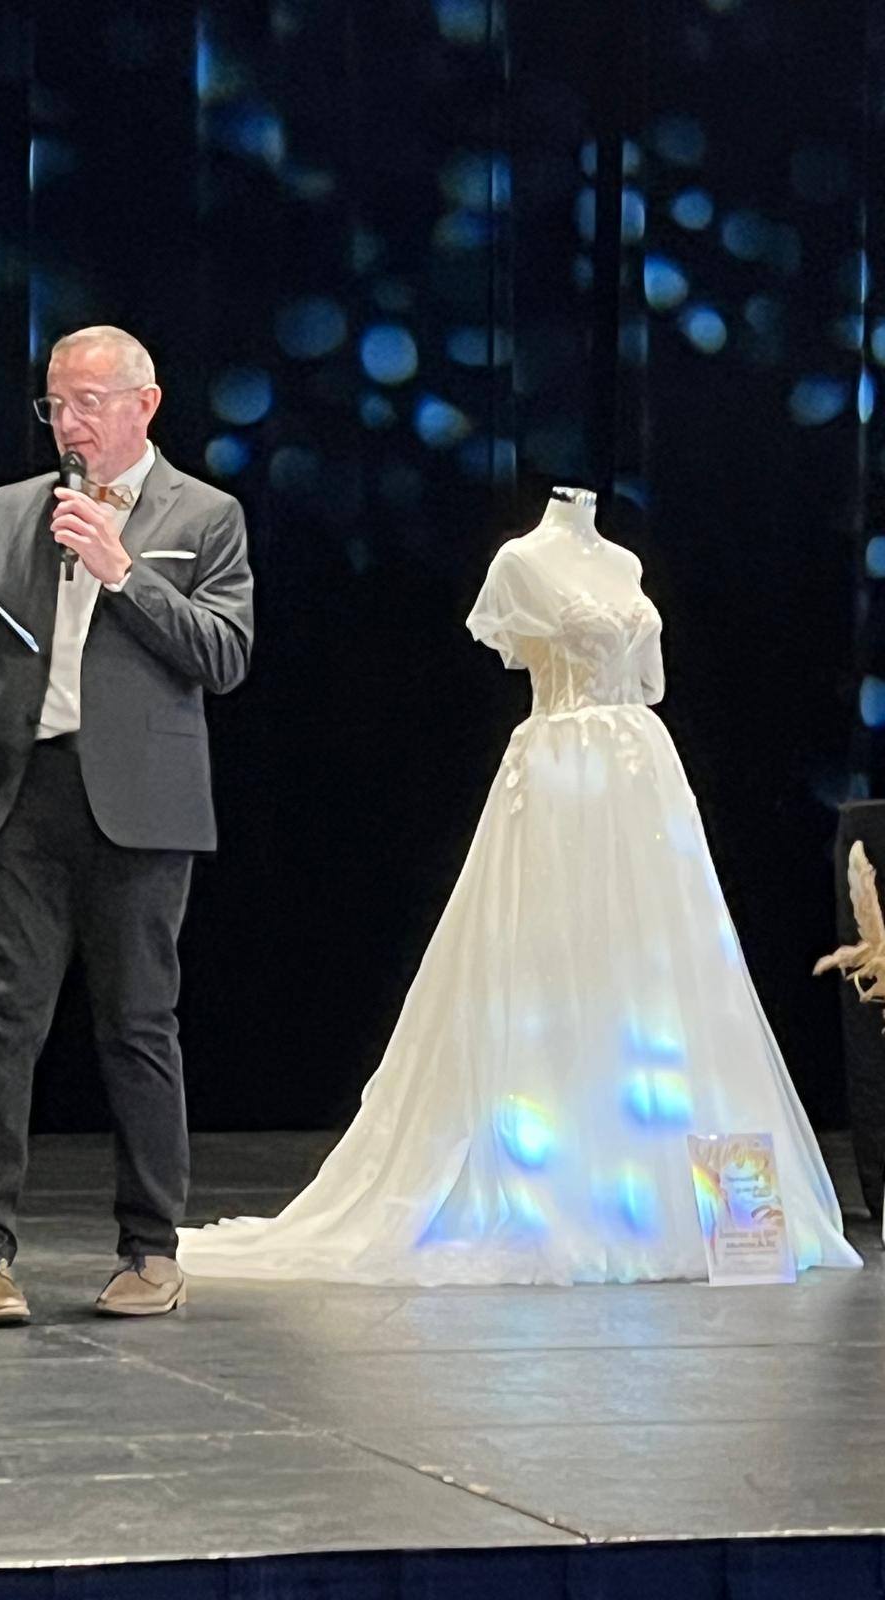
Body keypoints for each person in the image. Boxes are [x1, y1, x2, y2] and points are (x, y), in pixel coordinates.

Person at [177, 488, 860, 1286]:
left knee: (665, 968)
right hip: (561, 770)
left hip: (641, 776)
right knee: (551, 961)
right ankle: (561, 1188)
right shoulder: (520, 562)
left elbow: (648, 683)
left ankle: (709, 1209)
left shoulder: (624, 562)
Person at [0, 326, 254, 1322]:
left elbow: (225, 655)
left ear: (146, 403)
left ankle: (151, 1249)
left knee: (139, 1027)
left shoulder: (205, 515)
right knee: (0, 1025)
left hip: (143, 805)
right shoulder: (15, 508)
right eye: (57, 403)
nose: (70, 422)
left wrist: (123, 568)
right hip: (26, 792)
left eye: (90, 401)